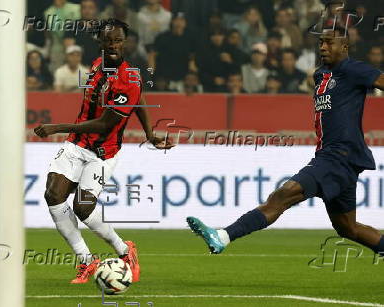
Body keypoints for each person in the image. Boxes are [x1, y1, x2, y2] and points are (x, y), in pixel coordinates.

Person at [186, 28, 384, 259]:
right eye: (321, 42)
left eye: (329, 43)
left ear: (344, 47)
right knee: (348, 228)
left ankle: (223, 236)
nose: (322, 47)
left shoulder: (354, 69)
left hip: (339, 155)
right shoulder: (320, 75)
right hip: (333, 157)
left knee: (282, 195)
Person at [34, 19, 173, 284]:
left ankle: (124, 249)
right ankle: (86, 261)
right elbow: (141, 100)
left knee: (83, 207)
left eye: (118, 40)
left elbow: (106, 124)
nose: (113, 45)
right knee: (53, 195)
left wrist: (58, 127)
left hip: (103, 151)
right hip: (77, 144)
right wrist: (150, 133)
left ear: (125, 42)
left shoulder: (128, 78)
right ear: (99, 41)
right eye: (108, 40)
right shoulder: (97, 65)